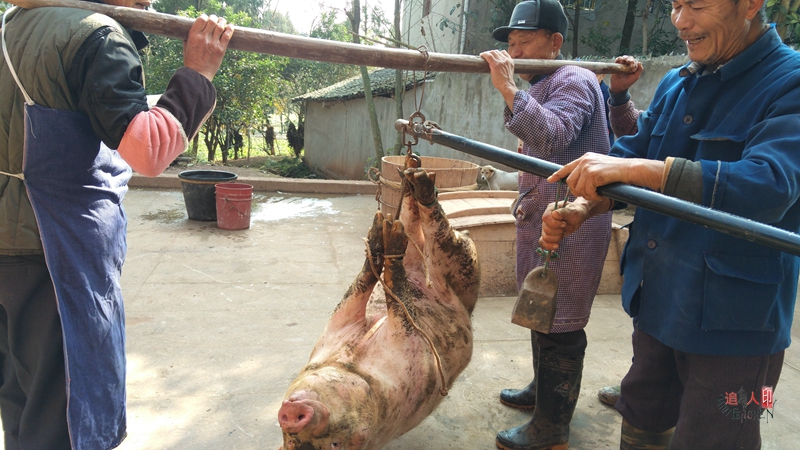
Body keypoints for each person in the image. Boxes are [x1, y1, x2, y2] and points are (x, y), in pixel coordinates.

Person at [540, 0, 799, 447]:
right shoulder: (678, 83)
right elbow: (624, 158)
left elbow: (770, 185)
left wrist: (643, 170)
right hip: (659, 300)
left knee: (721, 436)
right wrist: (582, 208)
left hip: (736, 325)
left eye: (696, 4)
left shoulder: (789, 81)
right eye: (675, 5)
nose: (680, 21)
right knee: (642, 418)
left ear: (751, 4)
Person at [0, 1, 233, 448]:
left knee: (23, 406)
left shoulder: (10, 25)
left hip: (9, 253)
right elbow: (148, 150)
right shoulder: (95, 35)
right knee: (66, 422)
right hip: (56, 260)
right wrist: (197, 74)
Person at [480, 1, 612, 448]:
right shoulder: (548, 82)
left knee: (563, 324)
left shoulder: (571, 78)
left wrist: (509, 88)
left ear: (554, 43)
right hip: (546, 215)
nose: (515, 49)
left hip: (573, 220)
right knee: (543, 313)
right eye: (511, 43)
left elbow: (553, 135)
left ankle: (552, 427)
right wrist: (518, 89)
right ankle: (542, 394)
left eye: (525, 41)